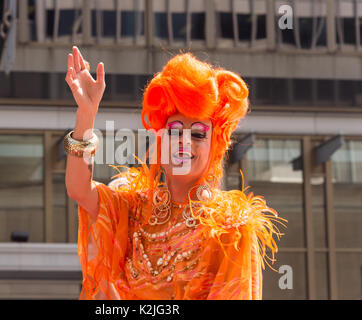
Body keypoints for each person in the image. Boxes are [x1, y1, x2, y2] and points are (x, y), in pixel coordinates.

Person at [64, 46, 286, 300]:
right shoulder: (135, 208)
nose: (184, 142)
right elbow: (79, 189)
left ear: (215, 146)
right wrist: (86, 114)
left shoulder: (230, 229)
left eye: (198, 134)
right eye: (175, 131)